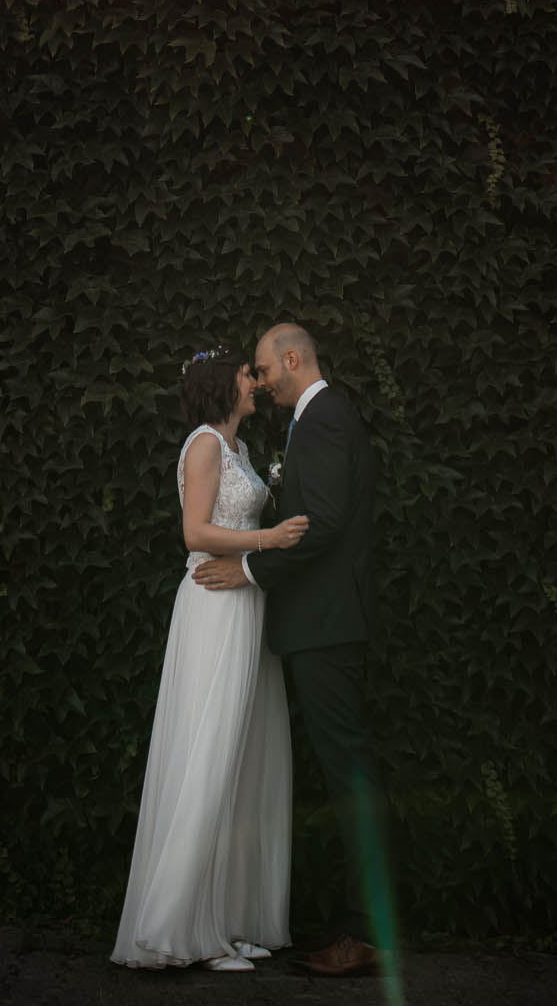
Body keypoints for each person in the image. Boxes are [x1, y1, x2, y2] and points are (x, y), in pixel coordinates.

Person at [193, 323, 394, 980]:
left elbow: (324, 524)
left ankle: (367, 934)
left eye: (260, 367)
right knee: (344, 774)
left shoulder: (324, 418)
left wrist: (250, 573)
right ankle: (356, 924)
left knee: (349, 777)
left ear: (289, 359)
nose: (257, 379)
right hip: (321, 625)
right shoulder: (313, 422)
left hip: (327, 626)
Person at [110, 345, 311, 972]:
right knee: (210, 751)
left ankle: (226, 920)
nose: (256, 383)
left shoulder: (241, 451)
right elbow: (194, 532)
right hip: (213, 608)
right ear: (224, 385)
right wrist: (269, 538)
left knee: (244, 758)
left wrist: (259, 556)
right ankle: (181, 928)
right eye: (248, 375)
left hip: (246, 606)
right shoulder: (202, 445)